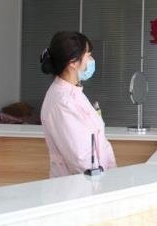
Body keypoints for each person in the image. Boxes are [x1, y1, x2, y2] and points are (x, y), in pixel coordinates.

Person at [40, 31, 116, 177]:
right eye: (88, 56)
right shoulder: (62, 102)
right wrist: (103, 180)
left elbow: (100, 142)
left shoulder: (74, 93)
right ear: (73, 62)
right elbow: (81, 159)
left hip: (96, 181)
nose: (91, 60)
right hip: (79, 185)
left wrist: (112, 173)